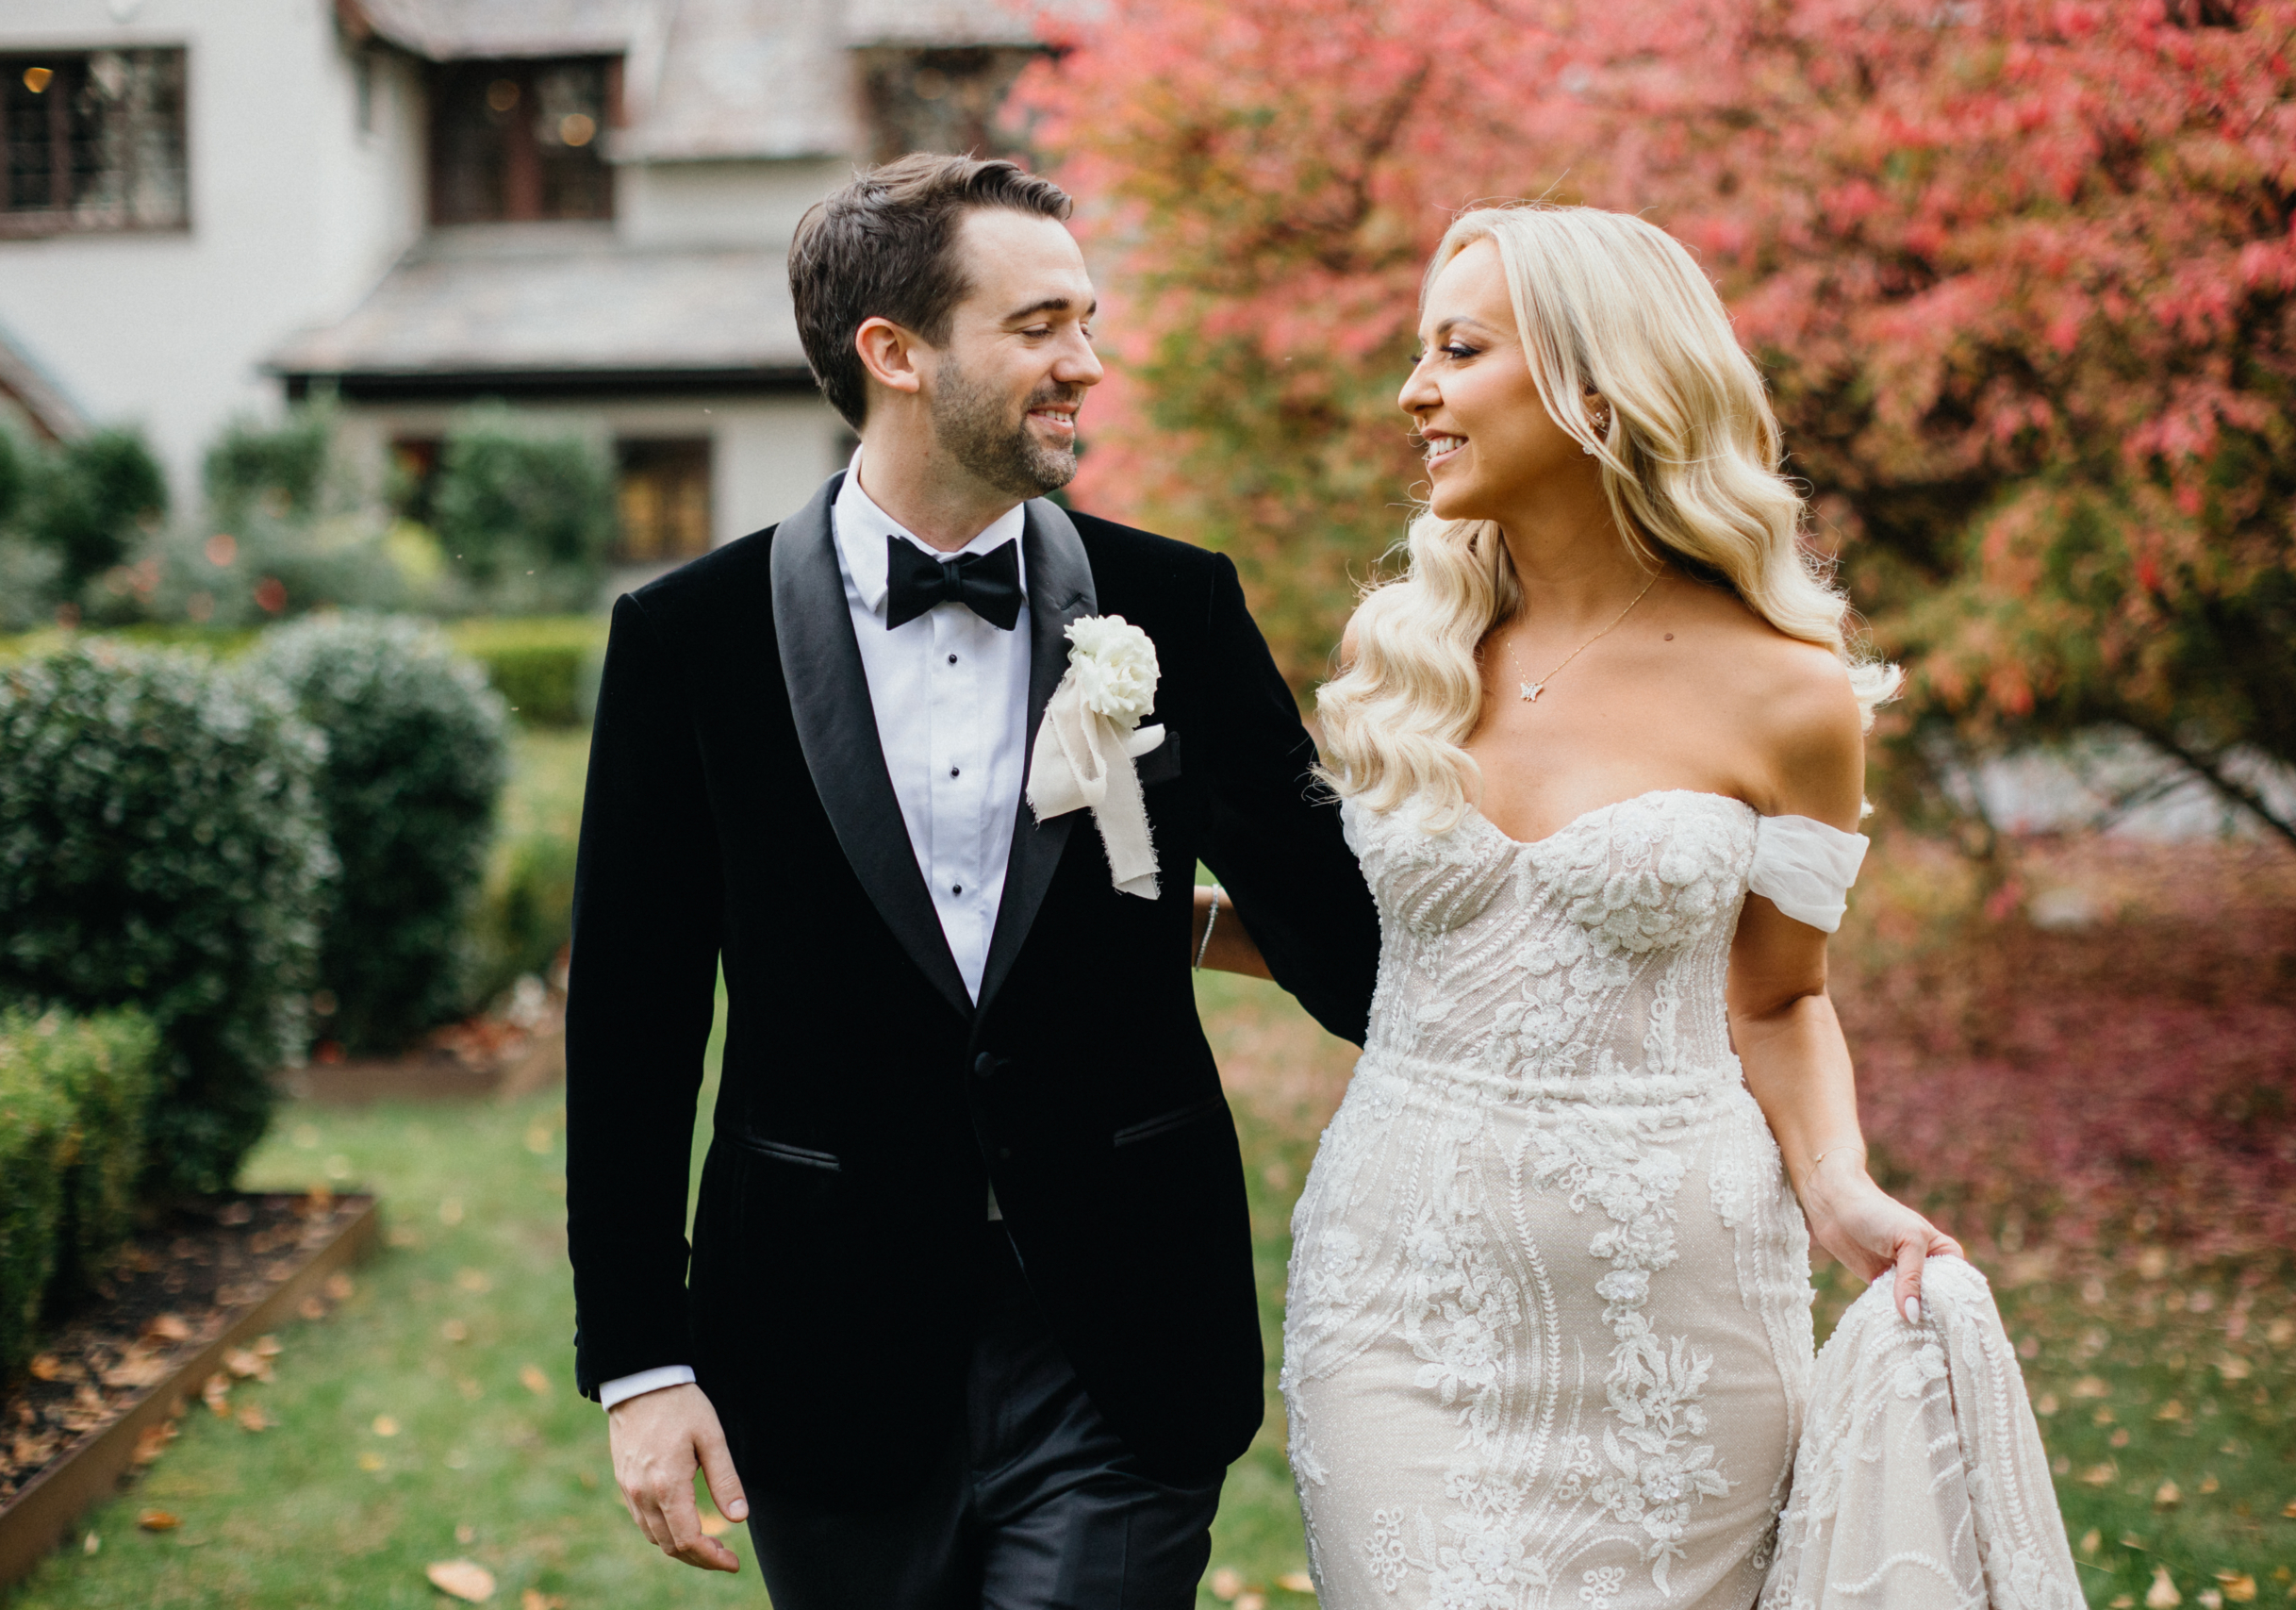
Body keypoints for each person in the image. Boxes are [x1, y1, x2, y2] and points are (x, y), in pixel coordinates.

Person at [562, 153, 1379, 1610]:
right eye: (1042, 325)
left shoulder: (1174, 605)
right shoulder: (685, 641)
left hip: (1120, 1333)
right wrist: (640, 1359)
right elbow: (632, 1020)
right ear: (895, 353)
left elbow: (1351, 948)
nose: (1091, 362)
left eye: (1089, 320)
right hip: (818, 1340)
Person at [1236, 202, 2002, 1607]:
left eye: (1457, 351)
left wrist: (1838, 1186)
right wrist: (1135, 921)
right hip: (1404, 1288)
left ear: (1602, 388)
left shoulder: (1790, 693)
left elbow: (1781, 995)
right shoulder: (1403, 651)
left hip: (1680, 1311)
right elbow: (1363, 933)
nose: (1413, 392)